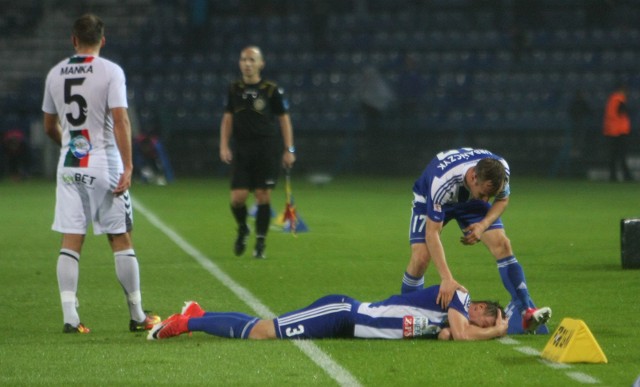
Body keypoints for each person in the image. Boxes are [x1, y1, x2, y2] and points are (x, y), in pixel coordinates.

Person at [42, 14, 159, 333]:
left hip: (70, 165)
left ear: (73, 39)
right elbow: (121, 120)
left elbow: (49, 126)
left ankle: (70, 318)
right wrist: (130, 165)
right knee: (120, 238)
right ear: (102, 40)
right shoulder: (110, 71)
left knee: (71, 239)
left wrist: (69, 145)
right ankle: (137, 316)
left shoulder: (55, 73)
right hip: (105, 163)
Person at [401, 148, 551, 334]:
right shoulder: (442, 182)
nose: (487, 200)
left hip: (470, 198)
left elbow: (502, 200)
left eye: (490, 195)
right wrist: (446, 278)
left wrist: (482, 225)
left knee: (503, 245)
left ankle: (526, 311)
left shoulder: (499, 171)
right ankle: (404, 313)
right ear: (473, 178)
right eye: (484, 195)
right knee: (421, 257)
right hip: (431, 198)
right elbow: (432, 234)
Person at [148, 284, 529, 342]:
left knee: (265, 328)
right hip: (344, 314)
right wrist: (499, 332)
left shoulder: (449, 320)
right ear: (479, 308)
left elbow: (450, 335)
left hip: (348, 325)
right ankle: (186, 323)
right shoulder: (458, 294)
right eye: (488, 317)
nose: (484, 323)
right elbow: (462, 335)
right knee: (262, 332)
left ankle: (200, 312)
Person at [219, 46, 296, 259]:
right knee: (238, 198)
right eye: (244, 59)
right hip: (242, 149)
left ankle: (260, 241)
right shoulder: (234, 89)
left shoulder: (271, 90)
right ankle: (243, 228)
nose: (247, 63)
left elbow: (284, 119)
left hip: (266, 149)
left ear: (261, 64)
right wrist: (224, 145)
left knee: (263, 195)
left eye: (252, 60)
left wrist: (289, 149)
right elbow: (227, 118)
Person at [603, 83, 633, 182]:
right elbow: (622, 112)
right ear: (622, 90)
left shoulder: (611, 100)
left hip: (611, 131)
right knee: (622, 155)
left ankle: (613, 176)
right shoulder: (619, 100)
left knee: (613, 156)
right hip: (619, 131)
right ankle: (627, 176)